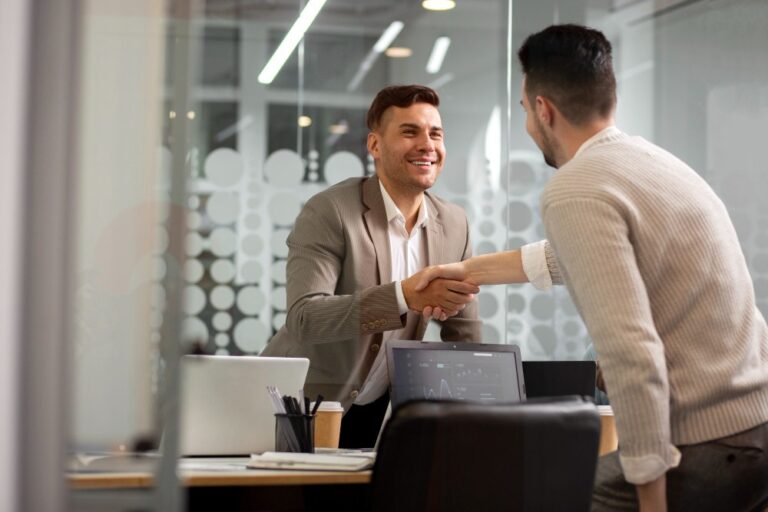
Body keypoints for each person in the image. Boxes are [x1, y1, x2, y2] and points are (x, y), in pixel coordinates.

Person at [413, 25, 768, 511]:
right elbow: (572, 257)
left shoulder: (576, 187)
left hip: (704, 447)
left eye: (523, 110)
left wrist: (651, 496)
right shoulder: (653, 164)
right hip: (755, 430)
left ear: (543, 110)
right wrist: (465, 272)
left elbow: (630, 351)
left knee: (522, 493)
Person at [262, 84, 553, 448]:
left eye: (435, 133)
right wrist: (403, 296)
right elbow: (305, 317)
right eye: (409, 131)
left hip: (374, 407)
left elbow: (463, 332)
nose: (427, 145)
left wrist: (479, 417)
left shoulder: (454, 222)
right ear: (374, 146)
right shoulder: (331, 211)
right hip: (301, 406)